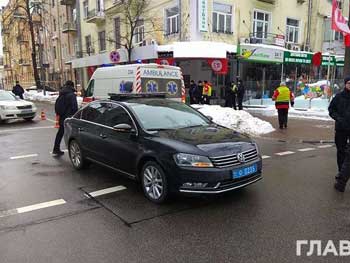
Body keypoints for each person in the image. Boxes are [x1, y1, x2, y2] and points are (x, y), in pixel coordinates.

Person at [328, 76, 350, 178]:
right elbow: (331, 109)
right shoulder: (339, 97)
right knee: (341, 151)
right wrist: (338, 118)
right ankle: (341, 172)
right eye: (349, 83)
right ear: (345, 84)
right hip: (341, 129)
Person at [52, 80, 78, 156]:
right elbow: (74, 108)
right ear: (72, 86)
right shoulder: (71, 95)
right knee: (74, 134)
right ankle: (74, 151)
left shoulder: (62, 93)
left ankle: (56, 148)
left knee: (60, 132)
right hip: (69, 117)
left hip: (62, 116)